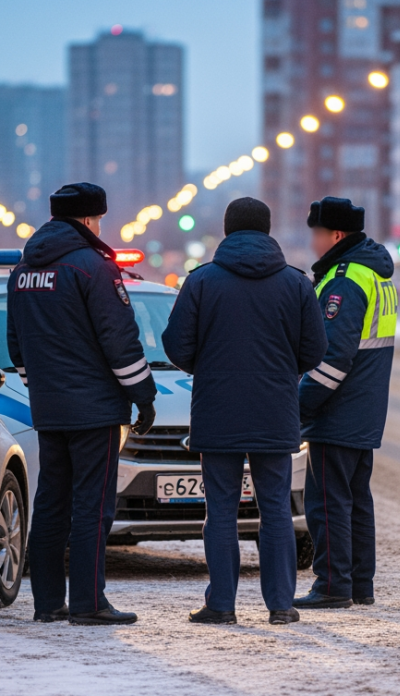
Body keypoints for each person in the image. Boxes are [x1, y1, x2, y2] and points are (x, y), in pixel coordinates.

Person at [161, 197, 327, 626]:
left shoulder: (202, 282)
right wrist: (282, 372)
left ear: (227, 229)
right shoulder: (295, 284)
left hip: (218, 410)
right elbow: (316, 349)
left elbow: (176, 345)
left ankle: (221, 605)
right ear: (268, 230)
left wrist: (211, 368)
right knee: (275, 509)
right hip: (275, 410)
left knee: (220, 511)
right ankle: (280, 605)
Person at [7, 182, 157, 626]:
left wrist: (43, 388)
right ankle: (90, 603)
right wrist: (143, 397)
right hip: (95, 410)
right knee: (92, 506)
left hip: (49, 409)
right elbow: (121, 341)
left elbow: (17, 346)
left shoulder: (22, 272)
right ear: (91, 220)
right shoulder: (94, 268)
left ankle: (48, 602)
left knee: (52, 502)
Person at [292, 197, 396, 610]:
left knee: (327, 502)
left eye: (316, 234)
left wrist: (302, 406)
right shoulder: (375, 274)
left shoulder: (345, 278)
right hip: (364, 409)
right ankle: (359, 585)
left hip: (339, 410)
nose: (313, 242)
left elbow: (333, 358)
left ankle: (332, 585)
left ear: (335, 235)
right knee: (355, 500)